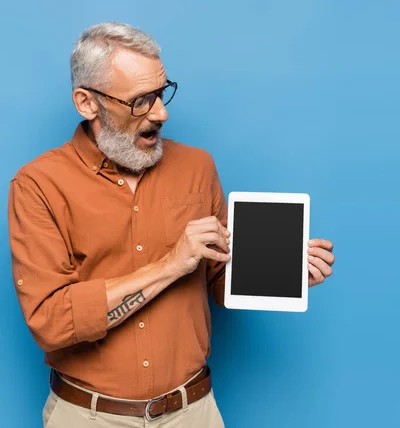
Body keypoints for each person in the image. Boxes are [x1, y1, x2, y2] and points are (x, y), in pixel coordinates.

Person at [8, 22, 335, 427]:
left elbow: (219, 278)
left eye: (162, 93)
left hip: (193, 412)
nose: (161, 113)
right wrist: (169, 265)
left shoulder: (198, 167)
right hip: (88, 417)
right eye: (141, 101)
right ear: (87, 103)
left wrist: (283, 272)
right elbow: (52, 322)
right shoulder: (38, 185)